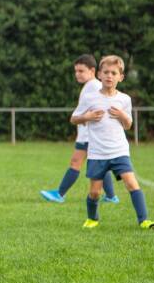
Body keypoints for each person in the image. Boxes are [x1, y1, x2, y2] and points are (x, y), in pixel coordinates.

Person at [70, 55, 154, 230]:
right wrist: (86, 117)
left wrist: (122, 116)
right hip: (97, 153)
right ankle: (92, 218)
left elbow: (128, 125)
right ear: (99, 75)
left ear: (121, 77)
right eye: (106, 72)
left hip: (119, 151)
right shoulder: (90, 98)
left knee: (132, 183)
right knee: (95, 192)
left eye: (114, 73)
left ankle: (144, 220)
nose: (110, 76)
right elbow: (73, 119)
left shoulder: (124, 99)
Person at [41, 55, 119, 204]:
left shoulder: (95, 86)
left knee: (75, 162)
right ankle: (111, 196)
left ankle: (59, 194)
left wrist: (87, 118)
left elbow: (101, 109)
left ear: (92, 71)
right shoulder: (90, 86)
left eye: (81, 71)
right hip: (87, 135)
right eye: (76, 71)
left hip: (89, 136)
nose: (77, 74)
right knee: (101, 166)